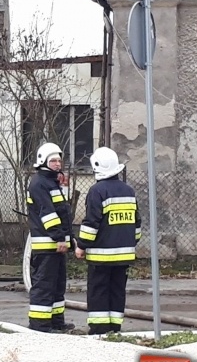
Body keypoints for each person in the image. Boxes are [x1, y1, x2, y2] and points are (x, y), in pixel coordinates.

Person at [75, 147, 141, 335]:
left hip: (101, 256)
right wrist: (130, 243)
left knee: (99, 291)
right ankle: (115, 327)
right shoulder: (129, 191)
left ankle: (99, 329)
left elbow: (91, 224)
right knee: (117, 291)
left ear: (97, 167)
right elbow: (136, 223)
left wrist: (81, 245)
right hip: (125, 255)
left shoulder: (97, 191)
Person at [26, 142, 74, 333]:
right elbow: (49, 215)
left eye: (59, 160)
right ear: (43, 161)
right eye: (53, 160)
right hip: (47, 245)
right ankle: (40, 326)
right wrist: (59, 238)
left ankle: (56, 322)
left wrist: (70, 238)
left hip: (55, 244)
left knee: (57, 286)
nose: (57, 164)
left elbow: (62, 213)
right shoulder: (39, 183)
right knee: (45, 286)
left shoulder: (51, 182)